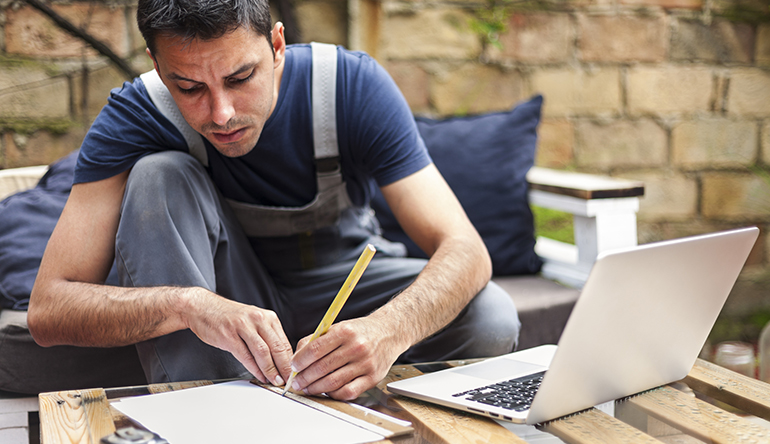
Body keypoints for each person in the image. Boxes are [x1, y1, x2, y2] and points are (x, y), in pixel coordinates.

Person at [28, 0, 520, 400]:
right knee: (158, 175)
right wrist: (189, 304)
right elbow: (48, 310)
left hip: (344, 282)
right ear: (158, 67)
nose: (221, 114)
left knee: (491, 318)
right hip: (227, 296)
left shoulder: (349, 87)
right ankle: (211, 414)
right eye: (189, 86)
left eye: (241, 78)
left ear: (277, 45)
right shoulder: (136, 115)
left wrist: (387, 329)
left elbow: (466, 248)